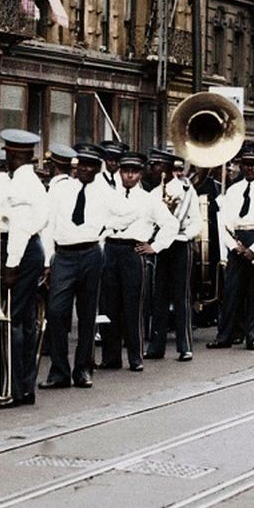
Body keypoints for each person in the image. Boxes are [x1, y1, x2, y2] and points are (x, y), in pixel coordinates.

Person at [101, 152, 177, 372]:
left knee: (133, 307)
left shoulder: (148, 200)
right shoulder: (109, 197)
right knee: (109, 306)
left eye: (134, 172)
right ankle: (111, 357)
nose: (129, 176)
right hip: (111, 249)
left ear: (140, 174)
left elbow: (170, 224)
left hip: (133, 251)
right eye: (125, 171)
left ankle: (135, 357)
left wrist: (155, 246)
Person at [0, 130, 48, 409]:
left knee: (10, 321)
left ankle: (10, 389)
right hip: (27, 249)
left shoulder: (22, 184)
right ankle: (25, 388)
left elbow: (20, 226)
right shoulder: (29, 181)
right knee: (24, 322)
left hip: (19, 250)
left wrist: (11, 264)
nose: (9, 158)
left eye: (11, 154)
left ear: (17, 156)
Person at [43, 147, 110, 389]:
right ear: (76, 165)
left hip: (91, 253)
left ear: (97, 168)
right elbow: (48, 223)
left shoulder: (104, 192)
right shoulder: (60, 189)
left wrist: (101, 242)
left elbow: (115, 219)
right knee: (56, 311)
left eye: (91, 165)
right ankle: (59, 371)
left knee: (87, 315)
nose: (85, 169)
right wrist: (48, 259)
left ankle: (83, 369)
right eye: (82, 164)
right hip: (64, 255)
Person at [208, 146, 254, 350]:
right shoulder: (233, 190)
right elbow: (225, 223)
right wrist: (234, 246)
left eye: (253, 164)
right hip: (237, 241)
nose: (249, 168)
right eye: (245, 164)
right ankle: (225, 336)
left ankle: (252, 336)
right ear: (241, 166)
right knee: (231, 291)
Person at [146, 150, 202, 361]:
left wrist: (185, 235)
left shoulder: (187, 190)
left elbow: (196, 221)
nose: (153, 169)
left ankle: (184, 345)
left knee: (182, 296)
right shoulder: (152, 193)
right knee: (158, 296)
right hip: (160, 248)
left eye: (157, 165)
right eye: (153, 165)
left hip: (180, 245)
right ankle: (156, 346)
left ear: (168, 169)